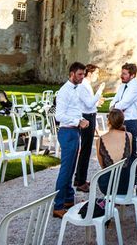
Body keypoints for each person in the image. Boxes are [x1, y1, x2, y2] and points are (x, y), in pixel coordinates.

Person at [53, 62, 90, 218]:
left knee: (71, 168)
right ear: (72, 74)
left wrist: (82, 118)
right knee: (66, 170)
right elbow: (59, 115)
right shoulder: (64, 91)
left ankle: (68, 199)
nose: (83, 77)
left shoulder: (76, 89)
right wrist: (77, 122)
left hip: (74, 132)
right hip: (67, 133)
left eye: (84, 74)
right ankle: (58, 205)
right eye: (80, 74)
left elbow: (74, 110)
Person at [74, 64, 105, 192]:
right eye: (96, 73)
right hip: (86, 117)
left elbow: (89, 103)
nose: (97, 76)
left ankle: (79, 178)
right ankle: (80, 181)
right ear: (90, 73)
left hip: (89, 114)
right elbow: (88, 103)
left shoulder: (86, 85)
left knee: (86, 149)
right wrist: (99, 91)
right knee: (85, 150)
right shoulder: (83, 85)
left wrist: (96, 102)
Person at [110, 63, 137, 160]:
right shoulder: (123, 86)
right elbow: (114, 101)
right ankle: (122, 173)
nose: (121, 76)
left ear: (132, 75)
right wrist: (114, 106)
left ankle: (133, 173)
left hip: (130, 122)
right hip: (119, 121)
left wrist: (114, 107)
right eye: (122, 73)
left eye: (124, 74)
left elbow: (124, 103)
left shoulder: (135, 86)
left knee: (130, 152)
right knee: (120, 151)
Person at [97, 109, 133, 195]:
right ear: (122, 121)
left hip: (108, 186)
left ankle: (112, 201)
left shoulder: (99, 140)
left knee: (102, 177)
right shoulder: (129, 135)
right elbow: (129, 156)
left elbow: (102, 166)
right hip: (128, 183)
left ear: (108, 121)